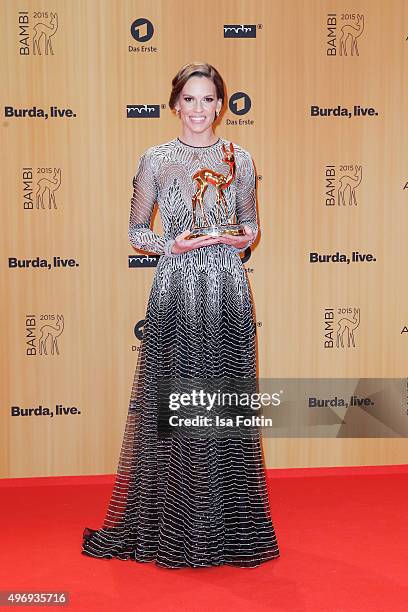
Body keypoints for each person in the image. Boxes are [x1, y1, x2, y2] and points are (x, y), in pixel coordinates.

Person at [82, 62, 280, 568]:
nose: (198, 109)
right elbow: (135, 232)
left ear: (221, 104)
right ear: (175, 105)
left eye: (207, 99)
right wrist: (172, 243)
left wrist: (237, 238)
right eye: (188, 100)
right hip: (176, 287)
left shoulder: (240, 157)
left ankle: (227, 528)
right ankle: (172, 525)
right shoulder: (155, 159)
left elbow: (251, 228)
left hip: (227, 289)